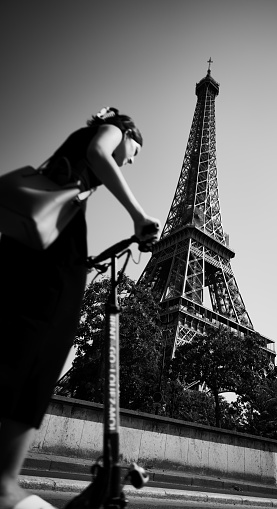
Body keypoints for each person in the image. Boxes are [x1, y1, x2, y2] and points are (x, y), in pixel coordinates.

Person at [0, 107, 160, 509]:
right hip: (59, 237)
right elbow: (99, 154)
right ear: (126, 134)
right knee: (48, 338)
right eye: (135, 151)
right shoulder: (110, 132)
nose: (132, 159)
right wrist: (139, 216)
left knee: (17, 330)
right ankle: (4, 482)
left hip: (31, 237)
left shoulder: (66, 165)